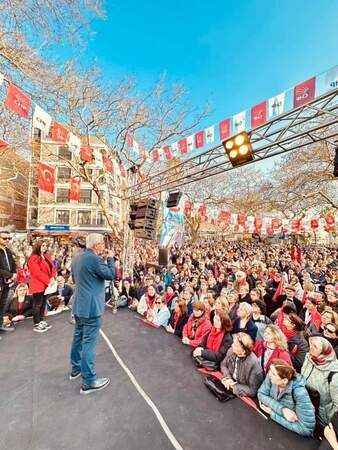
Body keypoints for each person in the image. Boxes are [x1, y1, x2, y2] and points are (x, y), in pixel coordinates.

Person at [70, 233, 115, 395]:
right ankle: (88, 381)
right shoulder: (95, 259)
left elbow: (74, 279)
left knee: (78, 337)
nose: (104, 246)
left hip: (79, 306)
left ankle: (75, 369)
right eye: (102, 244)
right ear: (96, 245)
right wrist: (110, 259)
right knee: (89, 342)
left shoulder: (77, 258)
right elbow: (111, 275)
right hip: (91, 308)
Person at [258, 359, 315, 437]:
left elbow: (306, 429)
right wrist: (282, 410)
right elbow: (261, 394)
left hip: (293, 437)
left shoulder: (299, 393)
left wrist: (273, 414)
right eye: (270, 371)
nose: (269, 374)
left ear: (284, 380)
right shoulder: (271, 378)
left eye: (273, 374)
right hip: (275, 427)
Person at [301, 336, 338, 427]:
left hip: (322, 418)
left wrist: (329, 421)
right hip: (306, 407)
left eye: (315, 347)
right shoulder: (309, 358)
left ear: (324, 352)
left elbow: (337, 405)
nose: (310, 348)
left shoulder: (334, 374)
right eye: (311, 345)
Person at [220, 332, 264, 397]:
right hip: (230, 384)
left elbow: (253, 390)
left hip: (240, 393)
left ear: (243, 351)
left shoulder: (253, 364)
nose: (232, 345)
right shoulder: (231, 351)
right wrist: (228, 378)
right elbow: (223, 365)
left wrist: (233, 386)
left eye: (235, 345)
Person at [28, 240, 56, 333]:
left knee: (43, 303)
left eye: (45, 245)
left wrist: (52, 277)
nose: (44, 247)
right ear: (38, 246)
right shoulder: (33, 258)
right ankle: (37, 323)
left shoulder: (46, 256)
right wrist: (48, 281)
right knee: (37, 304)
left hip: (46, 284)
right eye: (42, 245)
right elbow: (37, 273)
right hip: (38, 284)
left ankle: (41, 320)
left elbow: (52, 267)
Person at [0, 231, 16, 333]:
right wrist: (10, 275)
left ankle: (0, 324)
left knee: (2, 304)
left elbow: (13, 264)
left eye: (8, 238)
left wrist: (14, 273)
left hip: (6, 282)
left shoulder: (8, 250)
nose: (7, 240)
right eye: (4, 238)